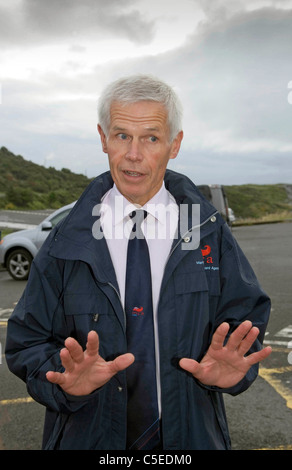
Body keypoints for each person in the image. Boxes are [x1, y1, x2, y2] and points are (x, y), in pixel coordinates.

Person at [5, 75, 272, 450]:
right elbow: (25, 341)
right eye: (121, 136)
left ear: (174, 144)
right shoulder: (66, 242)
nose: (134, 154)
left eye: (151, 137)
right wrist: (62, 376)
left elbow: (246, 323)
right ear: (103, 139)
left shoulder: (208, 232)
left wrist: (229, 372)